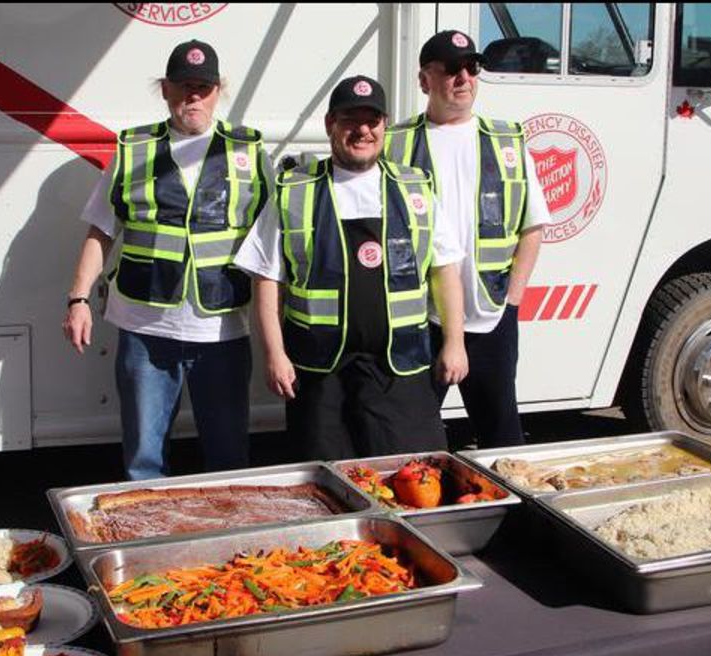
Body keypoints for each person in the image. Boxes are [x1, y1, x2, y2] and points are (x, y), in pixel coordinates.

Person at [63, 40, 272, 479]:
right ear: (165, 89)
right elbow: (101, 229)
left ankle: (224, 524)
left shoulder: (250, 152)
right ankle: (145, 525)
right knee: (144, 460)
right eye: (183, 86)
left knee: (228, 459)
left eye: (203, 87)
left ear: (218, 91)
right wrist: (78, 299)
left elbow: (273, 244)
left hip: (222, 332)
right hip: (145, 330)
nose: (193, 96)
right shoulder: (133, 149)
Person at [234, 75, 468, 460]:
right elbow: (266, 278)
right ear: (330, 124)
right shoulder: (295, 190)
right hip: (320, 371)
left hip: (399, 366)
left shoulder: (415, 188)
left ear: (384, 125)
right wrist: (275, 354)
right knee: (324, 477)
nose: (362, 131)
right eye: (350, 120)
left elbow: (444, 271)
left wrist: (455, 343)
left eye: (371, 121)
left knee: (412, 472)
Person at [384, 30, 552, 449]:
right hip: (422, 318)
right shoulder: (396, 143)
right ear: (424, 80)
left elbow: (532, 226)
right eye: (451, 69)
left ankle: (506, 497)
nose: (463, 78)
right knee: (412, 442)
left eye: (472, 68)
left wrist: (512, 300)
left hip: (491, 317)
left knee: (502, 438)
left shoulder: (506, 141)